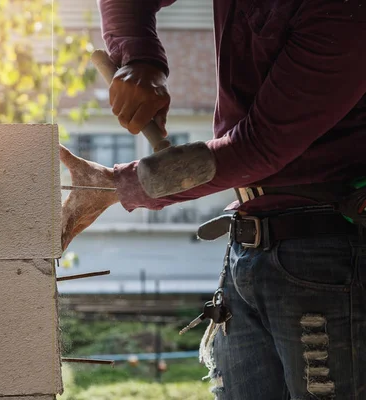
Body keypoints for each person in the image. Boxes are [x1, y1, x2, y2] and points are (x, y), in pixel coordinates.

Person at [59, 0, 366, 399]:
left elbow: (255, 148)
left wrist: (118, 186)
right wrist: (140, 58)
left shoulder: (344, 12)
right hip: (248, 241)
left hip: (327, 249)